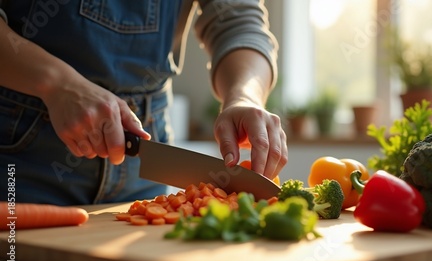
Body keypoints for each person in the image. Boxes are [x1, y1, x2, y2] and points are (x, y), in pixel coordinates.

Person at [0, 0, 287, 205]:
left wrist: (244, 96)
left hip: (142, 175)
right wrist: (55, 84)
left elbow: (239, 22)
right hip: (19, 165)